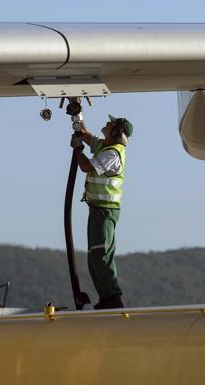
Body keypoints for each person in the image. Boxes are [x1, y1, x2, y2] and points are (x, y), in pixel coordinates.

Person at [70, 114, 133, 309]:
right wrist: (77, 117)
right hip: (98, 210)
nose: (106, 124)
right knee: (94, 257)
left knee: (101, 255)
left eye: (110, 124)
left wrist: (77, 149)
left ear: (116, 131)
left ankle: (112, 299)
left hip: (106, 212)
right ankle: (106, 299)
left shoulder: (112, 154)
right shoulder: (105, 146)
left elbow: (86, 166)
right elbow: (87, 135)